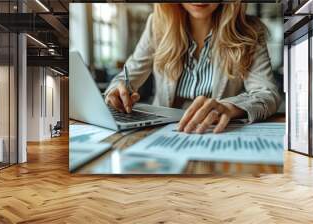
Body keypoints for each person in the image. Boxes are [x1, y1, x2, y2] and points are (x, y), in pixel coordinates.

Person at [104, 3, 281, 134]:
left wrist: (230, 107)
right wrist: (117, 90)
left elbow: (267, 94)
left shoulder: (250, 30)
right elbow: (128, 75)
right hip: (158, 131)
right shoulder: (156, 24)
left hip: (213, 132)